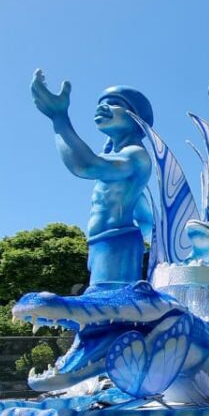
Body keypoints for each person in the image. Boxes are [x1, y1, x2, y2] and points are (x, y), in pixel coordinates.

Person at [31, 70, 153, 290]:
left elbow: (85, 166)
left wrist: (59, 118)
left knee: (106, 308)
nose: (102, 107)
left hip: (114, 243)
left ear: (136, 118)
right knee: (105, 309)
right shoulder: (121, 164)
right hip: (106, 243)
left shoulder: (136, 155)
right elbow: (147, 220)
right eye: (101, 102)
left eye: (115, 103)